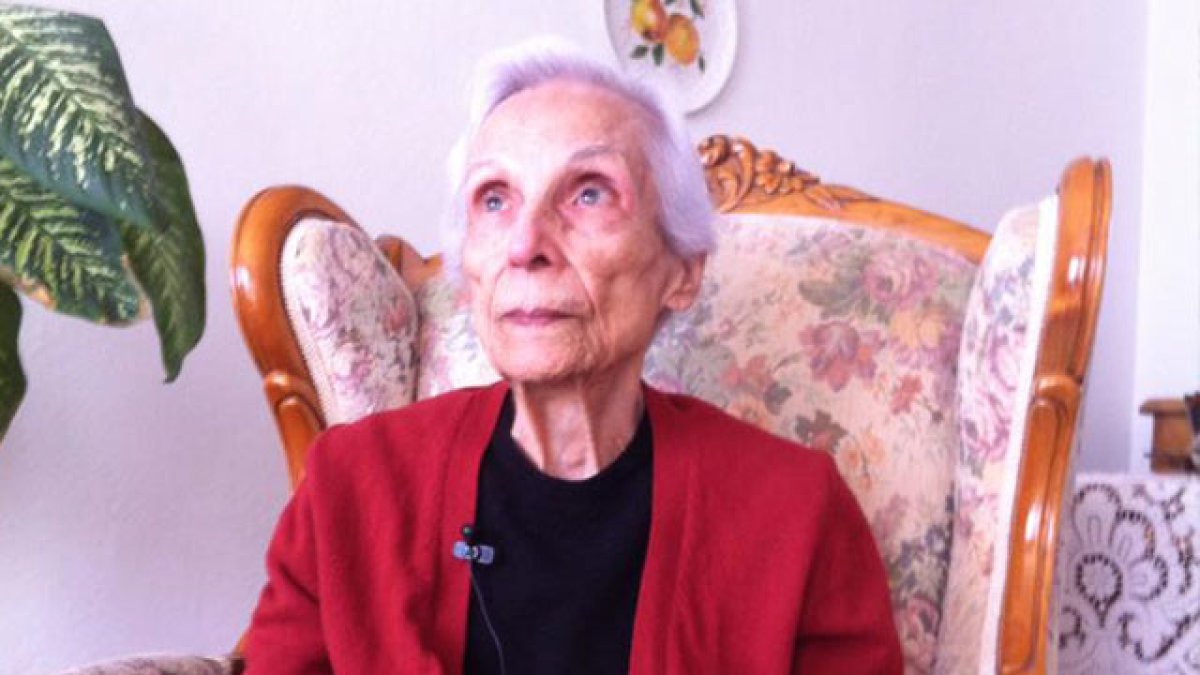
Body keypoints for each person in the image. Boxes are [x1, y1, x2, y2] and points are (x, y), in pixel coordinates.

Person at [245, 39, 902, 674]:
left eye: (589, 192)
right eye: (495, 199)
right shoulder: (348, 489)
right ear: (469, 271)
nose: (525, 243)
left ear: (682, 269)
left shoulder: (795, 514)